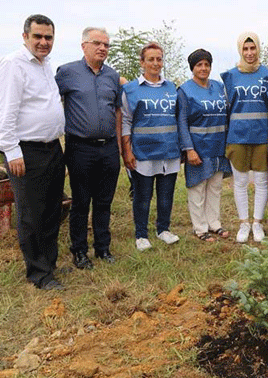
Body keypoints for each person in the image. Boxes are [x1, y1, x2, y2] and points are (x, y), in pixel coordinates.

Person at [0, 14, 65, 290]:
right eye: (37, 36)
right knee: (31, 213)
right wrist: (12, 151)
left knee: (52, 208)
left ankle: (49, 264)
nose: (43, 42)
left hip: (52, 147)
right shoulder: (14, 64)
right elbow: (6, 112)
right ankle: (38, 273)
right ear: (25, 36)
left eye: (48, 37)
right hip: (26, 151)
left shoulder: (45, 65)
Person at [55, 27, 121, 269]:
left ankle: (103, 248)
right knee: (81, 202)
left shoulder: (112, 76)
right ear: (84, 46)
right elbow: (51, 103)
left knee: (104, 201)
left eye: (106, 44)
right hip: (80, 147)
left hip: (109, 148)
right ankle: (79, 252)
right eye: (97, 43)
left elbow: (116, 111)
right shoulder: (67, 73)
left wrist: (120, 149)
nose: (102, 48)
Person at [120, 42, 180, 251]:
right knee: (143, 197)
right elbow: (126, 120)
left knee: (166, 196)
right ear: (142, 62)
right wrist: (126, 150)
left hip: (169, 152)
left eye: (159, 59)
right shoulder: (131, 89)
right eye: (151, 59)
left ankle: (163, 229)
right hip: (143, 152)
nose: (156, 63)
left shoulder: (172, 88)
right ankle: (141, 234)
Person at [220, 32, 268, 243]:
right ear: (240, 50)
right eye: (245, 49)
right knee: (241, 182)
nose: (250, 53)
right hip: (237, 136)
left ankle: (257, 223)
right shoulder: (229, 76)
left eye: (253, 48)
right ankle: (244, 223)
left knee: (262, 182)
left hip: (262, 136)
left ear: (258, 49)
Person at [178, 49, 232, 242]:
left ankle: (214, 223)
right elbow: (182, 121)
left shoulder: (218, 87)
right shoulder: (185, 90)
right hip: (198, 147)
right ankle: (200, 228)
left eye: (206, 64)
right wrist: (189, 149)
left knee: (215, 186)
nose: (203, 68)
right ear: (192, 67)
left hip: (218, 145)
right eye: (199, 65)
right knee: (198, 188)